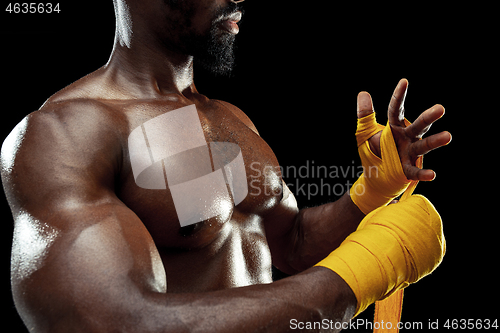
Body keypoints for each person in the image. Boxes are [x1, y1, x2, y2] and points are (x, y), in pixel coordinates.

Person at [1, 0, 452, 332]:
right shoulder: (67, 134)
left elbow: (290, 243)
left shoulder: (227, 118)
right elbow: (112, 323)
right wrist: (359, 276)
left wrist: (368, 195)